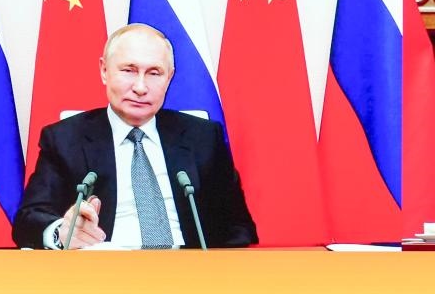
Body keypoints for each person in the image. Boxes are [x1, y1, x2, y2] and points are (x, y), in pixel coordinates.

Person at [13, 23, 258, 249]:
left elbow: (239, 227)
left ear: (169, 77)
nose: (140, 87)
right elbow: (28, 220)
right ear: (104, 70)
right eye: (129, 70)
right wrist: (61, 232)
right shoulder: (65, 139)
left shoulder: (203, 137)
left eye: (154, 73)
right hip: (102, 270)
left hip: (189, 270)